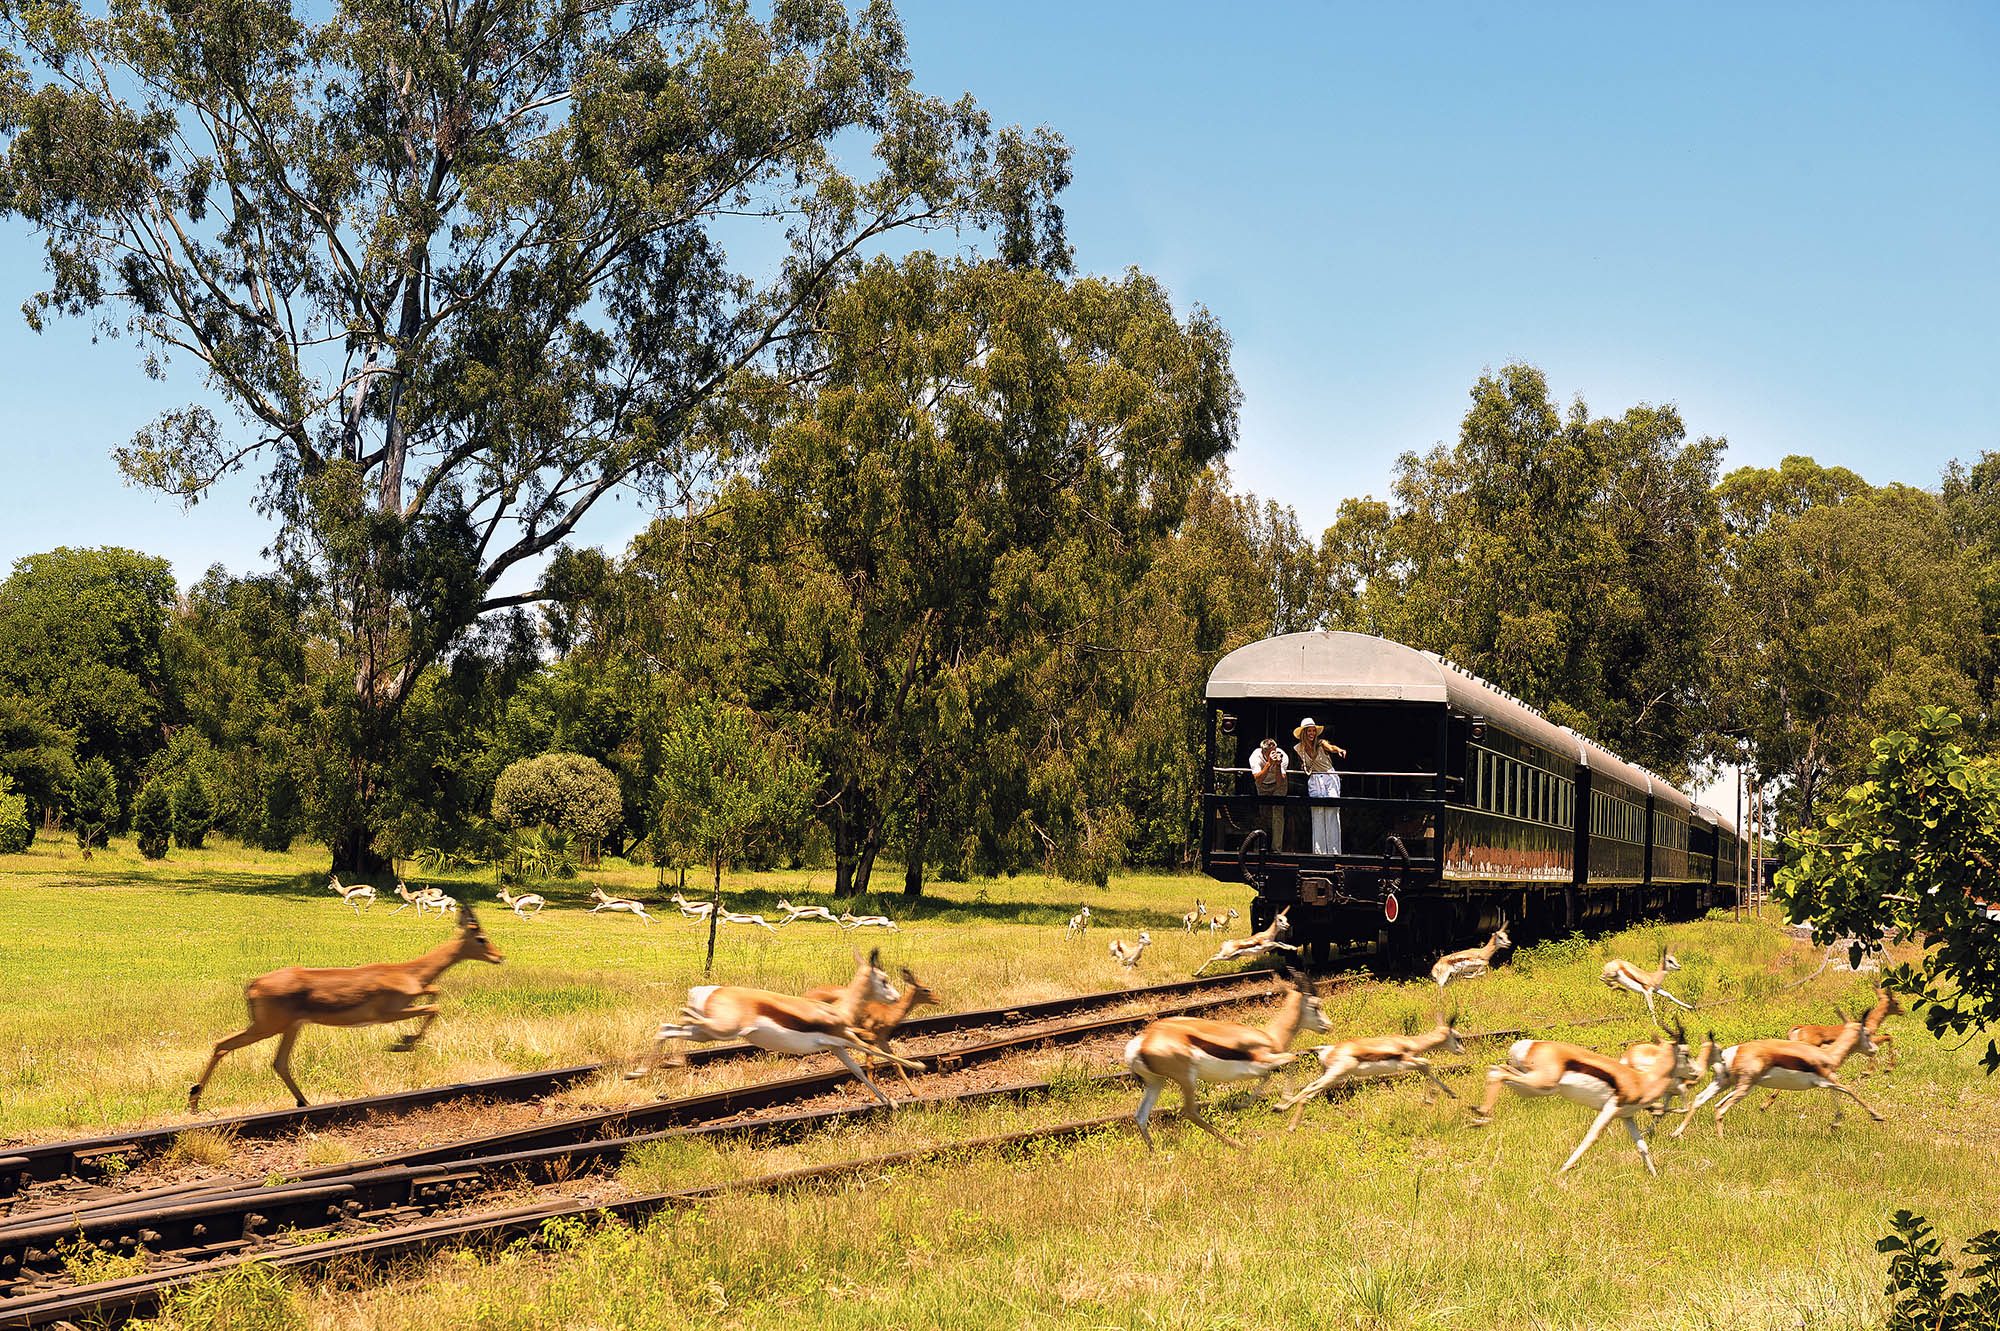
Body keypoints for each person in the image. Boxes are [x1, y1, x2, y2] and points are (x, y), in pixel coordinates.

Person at [1294, 717, 1347, 855]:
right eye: (1308, 731)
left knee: (1332, 813)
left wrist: (1339, 750)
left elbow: (1331, 747)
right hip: (1314, 779)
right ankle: (1319, 853)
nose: (1311, 734)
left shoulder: (1321, 743)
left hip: (1329, 777)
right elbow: (1303, 764)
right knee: (1317, 813)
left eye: (1313, 731)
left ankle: (1334, 853)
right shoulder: (1298, 748)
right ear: (1303, 733)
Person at [1248, 737, 1289, 850]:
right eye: (1271, 752)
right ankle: (1261, 848)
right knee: (1264, 815)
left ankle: (1276, 849)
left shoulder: (1283, 756)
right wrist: (1268, 764)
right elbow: (1258, 780)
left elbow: (1280, 781)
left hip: (1278, 784)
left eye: (1275, 751)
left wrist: (1277, 765)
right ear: (1263, 752)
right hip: (1262, 784)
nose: (1274, 754)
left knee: (1278, 814)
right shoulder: (1255, 757)